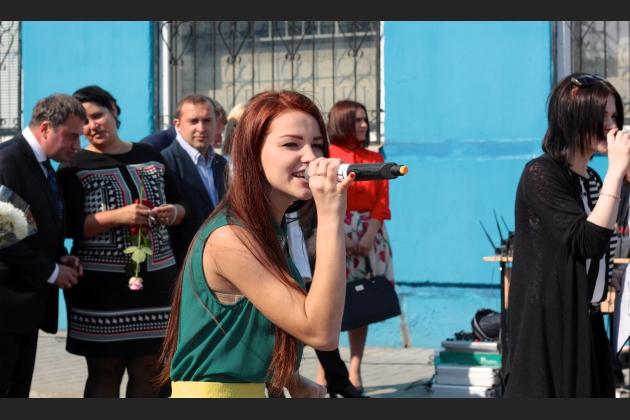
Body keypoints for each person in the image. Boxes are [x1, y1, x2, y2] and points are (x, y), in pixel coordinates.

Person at [157, 90, 355, 398]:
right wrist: (330, 218)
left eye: (317, 144)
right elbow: (321, 333)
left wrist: (291, 379)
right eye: (292, 144)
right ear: (252, 153)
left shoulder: (268, 228)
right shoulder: (230, 238)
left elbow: (250, 325)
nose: (312, 157)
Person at [57, 85, 189, 398]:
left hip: (157, 283)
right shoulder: (73, 166)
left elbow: (183, 205)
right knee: (106, 369)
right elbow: (72, 226)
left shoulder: (149, 155)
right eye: (84, 122)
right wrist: (120, 215)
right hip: (101, 287)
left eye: (98, 115)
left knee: (151, 369)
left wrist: (172, 212)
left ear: (114, 111)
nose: (93, 125)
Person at [504, 73, 628, 398]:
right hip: (552, 332)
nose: (612, 126)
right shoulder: (541, 173)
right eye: (602, 116)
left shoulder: (593, 179)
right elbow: (586, 240)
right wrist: (616, 172)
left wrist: (606, 275)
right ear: (574, 117)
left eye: (615, 116)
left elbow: (588, 249)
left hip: (588, 325)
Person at [0, 94, 85, 398]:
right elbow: (3, 234)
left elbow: (34, 225)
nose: (77, 145)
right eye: (72, 136)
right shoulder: (7, 160)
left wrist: (61, 257)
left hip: (25, 310)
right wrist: (51, 271)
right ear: (46, 127)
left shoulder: (42, 164)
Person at [324, 99, 395, 394]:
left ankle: (355, 371)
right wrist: (342, 232)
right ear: (342, 122)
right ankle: (326, 371)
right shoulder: (326, 156)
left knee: (360, 301)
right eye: (358, 120)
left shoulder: (375, 158)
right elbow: (320, 198)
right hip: (333, 229)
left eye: (365, 119)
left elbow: (382, 202)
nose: (365, 124)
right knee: (328, 303)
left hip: (371, 234)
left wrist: (368, 236)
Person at [161, 94, 229, 269]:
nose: (201, 128)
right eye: (193, 121)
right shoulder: (164, 163)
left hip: (222, 261)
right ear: (177, 125)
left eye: (207, 120)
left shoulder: (221, 163)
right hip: (185, 266)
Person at [140, 97, 226, 152]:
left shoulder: (213, 160)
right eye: (217, 134)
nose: (220, 140)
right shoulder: (151, 147)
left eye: (207, 121)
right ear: (178, 124)